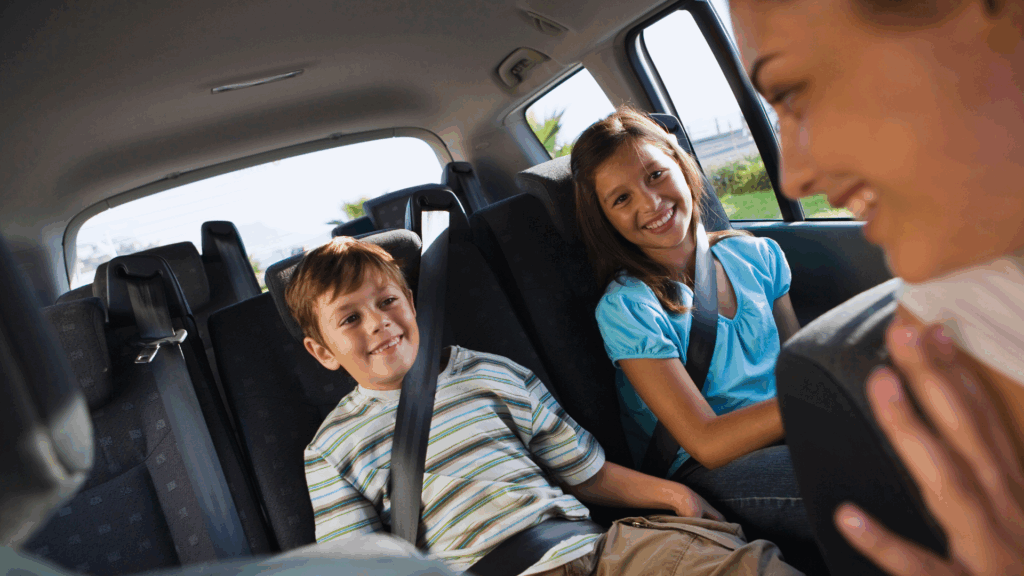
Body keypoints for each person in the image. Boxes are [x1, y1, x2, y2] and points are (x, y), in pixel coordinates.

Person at [285, 236, 801, 576]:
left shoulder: (492, 373)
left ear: (413, 304)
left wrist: (674, 497)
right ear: (322, 351)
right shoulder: (332, 449)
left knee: (750, 565)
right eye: (349, 319)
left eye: (387, 301)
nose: (377, 323)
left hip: (600, 551)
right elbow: (361, 565)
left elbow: (584, 470)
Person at [728, 0, 1024, 573]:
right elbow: (707, 442)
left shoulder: (754, 255)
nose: (793, 177)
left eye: (790, 92)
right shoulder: (953, 324)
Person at [570, 107, 823, 573]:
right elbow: (707, 441)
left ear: (682, 167)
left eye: (655, 175)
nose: (650, 204)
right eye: (621, 199)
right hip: (712, 468)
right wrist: (823, 397)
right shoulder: (628, 307)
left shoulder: (756, 255)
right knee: (856, 478)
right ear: (603, 219)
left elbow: (798, 364)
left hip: (792, 427)